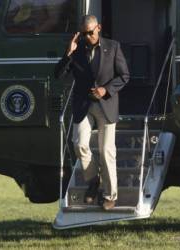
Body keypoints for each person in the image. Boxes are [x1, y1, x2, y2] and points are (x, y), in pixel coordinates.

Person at [55, 15, 129, 210]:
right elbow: (58, 75)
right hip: (83, 105)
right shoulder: (76, 50)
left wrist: (106, 89)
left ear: (99, 28)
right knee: (79, 143)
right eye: (84, 33)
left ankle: (110, 195)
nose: (88, 36)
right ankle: (94, 179)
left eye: (91, 32)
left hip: (107, 105)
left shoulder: (113, 47)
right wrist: (68, 54)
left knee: (106, 151)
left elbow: (124, 75)